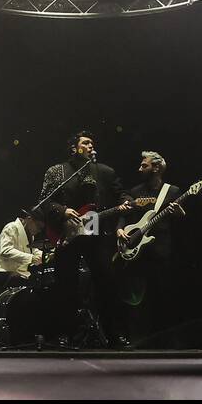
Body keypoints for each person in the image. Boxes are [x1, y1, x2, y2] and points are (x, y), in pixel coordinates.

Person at [37, 131, 131, 347]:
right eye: (85, 143)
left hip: (95, 229)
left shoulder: (104, 172)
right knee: (65, 285)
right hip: (66, 233)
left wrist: (127, 202)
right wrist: (63, 211)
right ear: (73, 148)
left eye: (92, 143)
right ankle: (64, 334)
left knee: (105, 282)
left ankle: (113, 334)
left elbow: (122, 195)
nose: (91, 146)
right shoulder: (57, 171)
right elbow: (44, 200)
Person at [122, 150, 186, 346]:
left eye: (144, 165)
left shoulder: (172, 192)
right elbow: (125, 215)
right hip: (138, 254)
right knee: (138, 300)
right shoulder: (135, 192)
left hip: (162, 251)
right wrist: (119, 230)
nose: (139, 168)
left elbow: (184, 225)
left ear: (156, 168)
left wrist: (180, 214)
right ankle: (139, 339)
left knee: (165, 296)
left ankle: (167, 339)